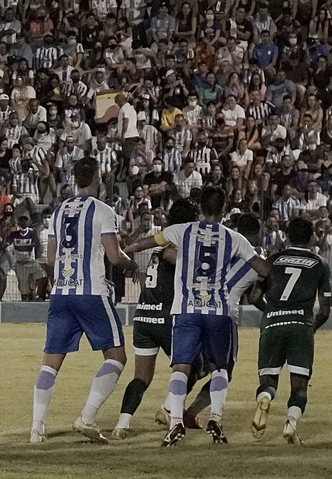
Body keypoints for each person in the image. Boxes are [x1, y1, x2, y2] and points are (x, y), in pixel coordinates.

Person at [126, 186, 270, 446]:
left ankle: (176, 422)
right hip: (218, 312)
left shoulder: (183, 231)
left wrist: (125, 253)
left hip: (187, 311)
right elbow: (263, 268)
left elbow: (144, 244)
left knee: (181, 367)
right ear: (224, 209)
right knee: (220, 368)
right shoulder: (233, 238)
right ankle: (215, 416)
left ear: (201, 208)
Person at [30, 157, 140, 445]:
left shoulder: (59, 211)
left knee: (50, 364)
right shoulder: (103, 211)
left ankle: (36, 428)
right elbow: (115, 256)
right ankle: (87, 417)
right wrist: (134, 265)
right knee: (117, 357)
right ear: (97, 178)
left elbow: (51, 258)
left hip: (61, 293)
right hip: (90, 293)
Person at [111, 198, 200, 439]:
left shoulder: (159, 248)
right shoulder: (174, 248)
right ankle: (169, 408)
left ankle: (122, 425)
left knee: (141, 377)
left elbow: (135, 246)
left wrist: (126, 256)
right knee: (195, 366)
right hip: (166, 318)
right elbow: (178, 260)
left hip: (144, 317)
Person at [249, 218, 331, 444]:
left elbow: (254, 297)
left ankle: (265, 398)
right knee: (300, 385)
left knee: (268, 380)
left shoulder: (272, 260)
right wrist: (308, 328)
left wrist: (271, 313)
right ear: (312, 237)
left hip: (273, 322)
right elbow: (324, 311)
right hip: (301, 325)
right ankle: (291, 424)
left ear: (287, 237)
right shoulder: (320, 263)